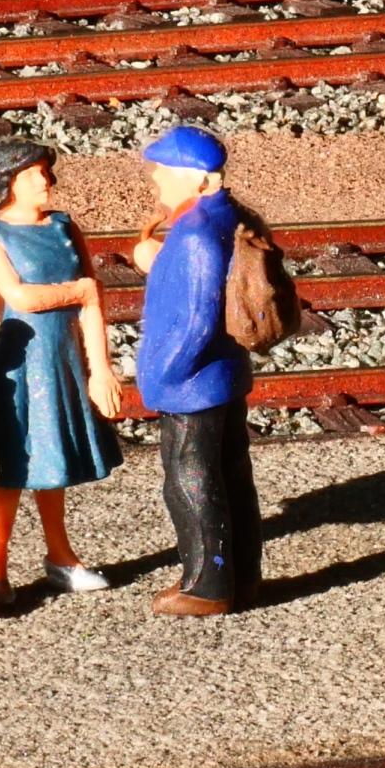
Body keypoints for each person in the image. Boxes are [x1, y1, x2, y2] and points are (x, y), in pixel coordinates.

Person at [0, 139, 124, 604]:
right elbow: (21, 299)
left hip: (62, 359)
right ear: (9, 182)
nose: (46, 179)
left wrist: (101, 370)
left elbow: (94, 301)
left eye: (45, 170)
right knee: (11, 466)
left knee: (51, 459)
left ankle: (61, 556)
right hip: (20, 363)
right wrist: (79, 292)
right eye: (34, 172)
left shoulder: (64, 225)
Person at [131, 125, 261, 618]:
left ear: (201, 181)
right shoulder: (226, 216)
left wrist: (160, 377)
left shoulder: (195, 234)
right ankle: (242, 577)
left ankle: (207, 586)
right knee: (230, 475)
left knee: (190, 479)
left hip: (193, 383)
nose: (157, 179)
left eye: (167, 170)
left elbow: (194, 321)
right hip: (224, 373)